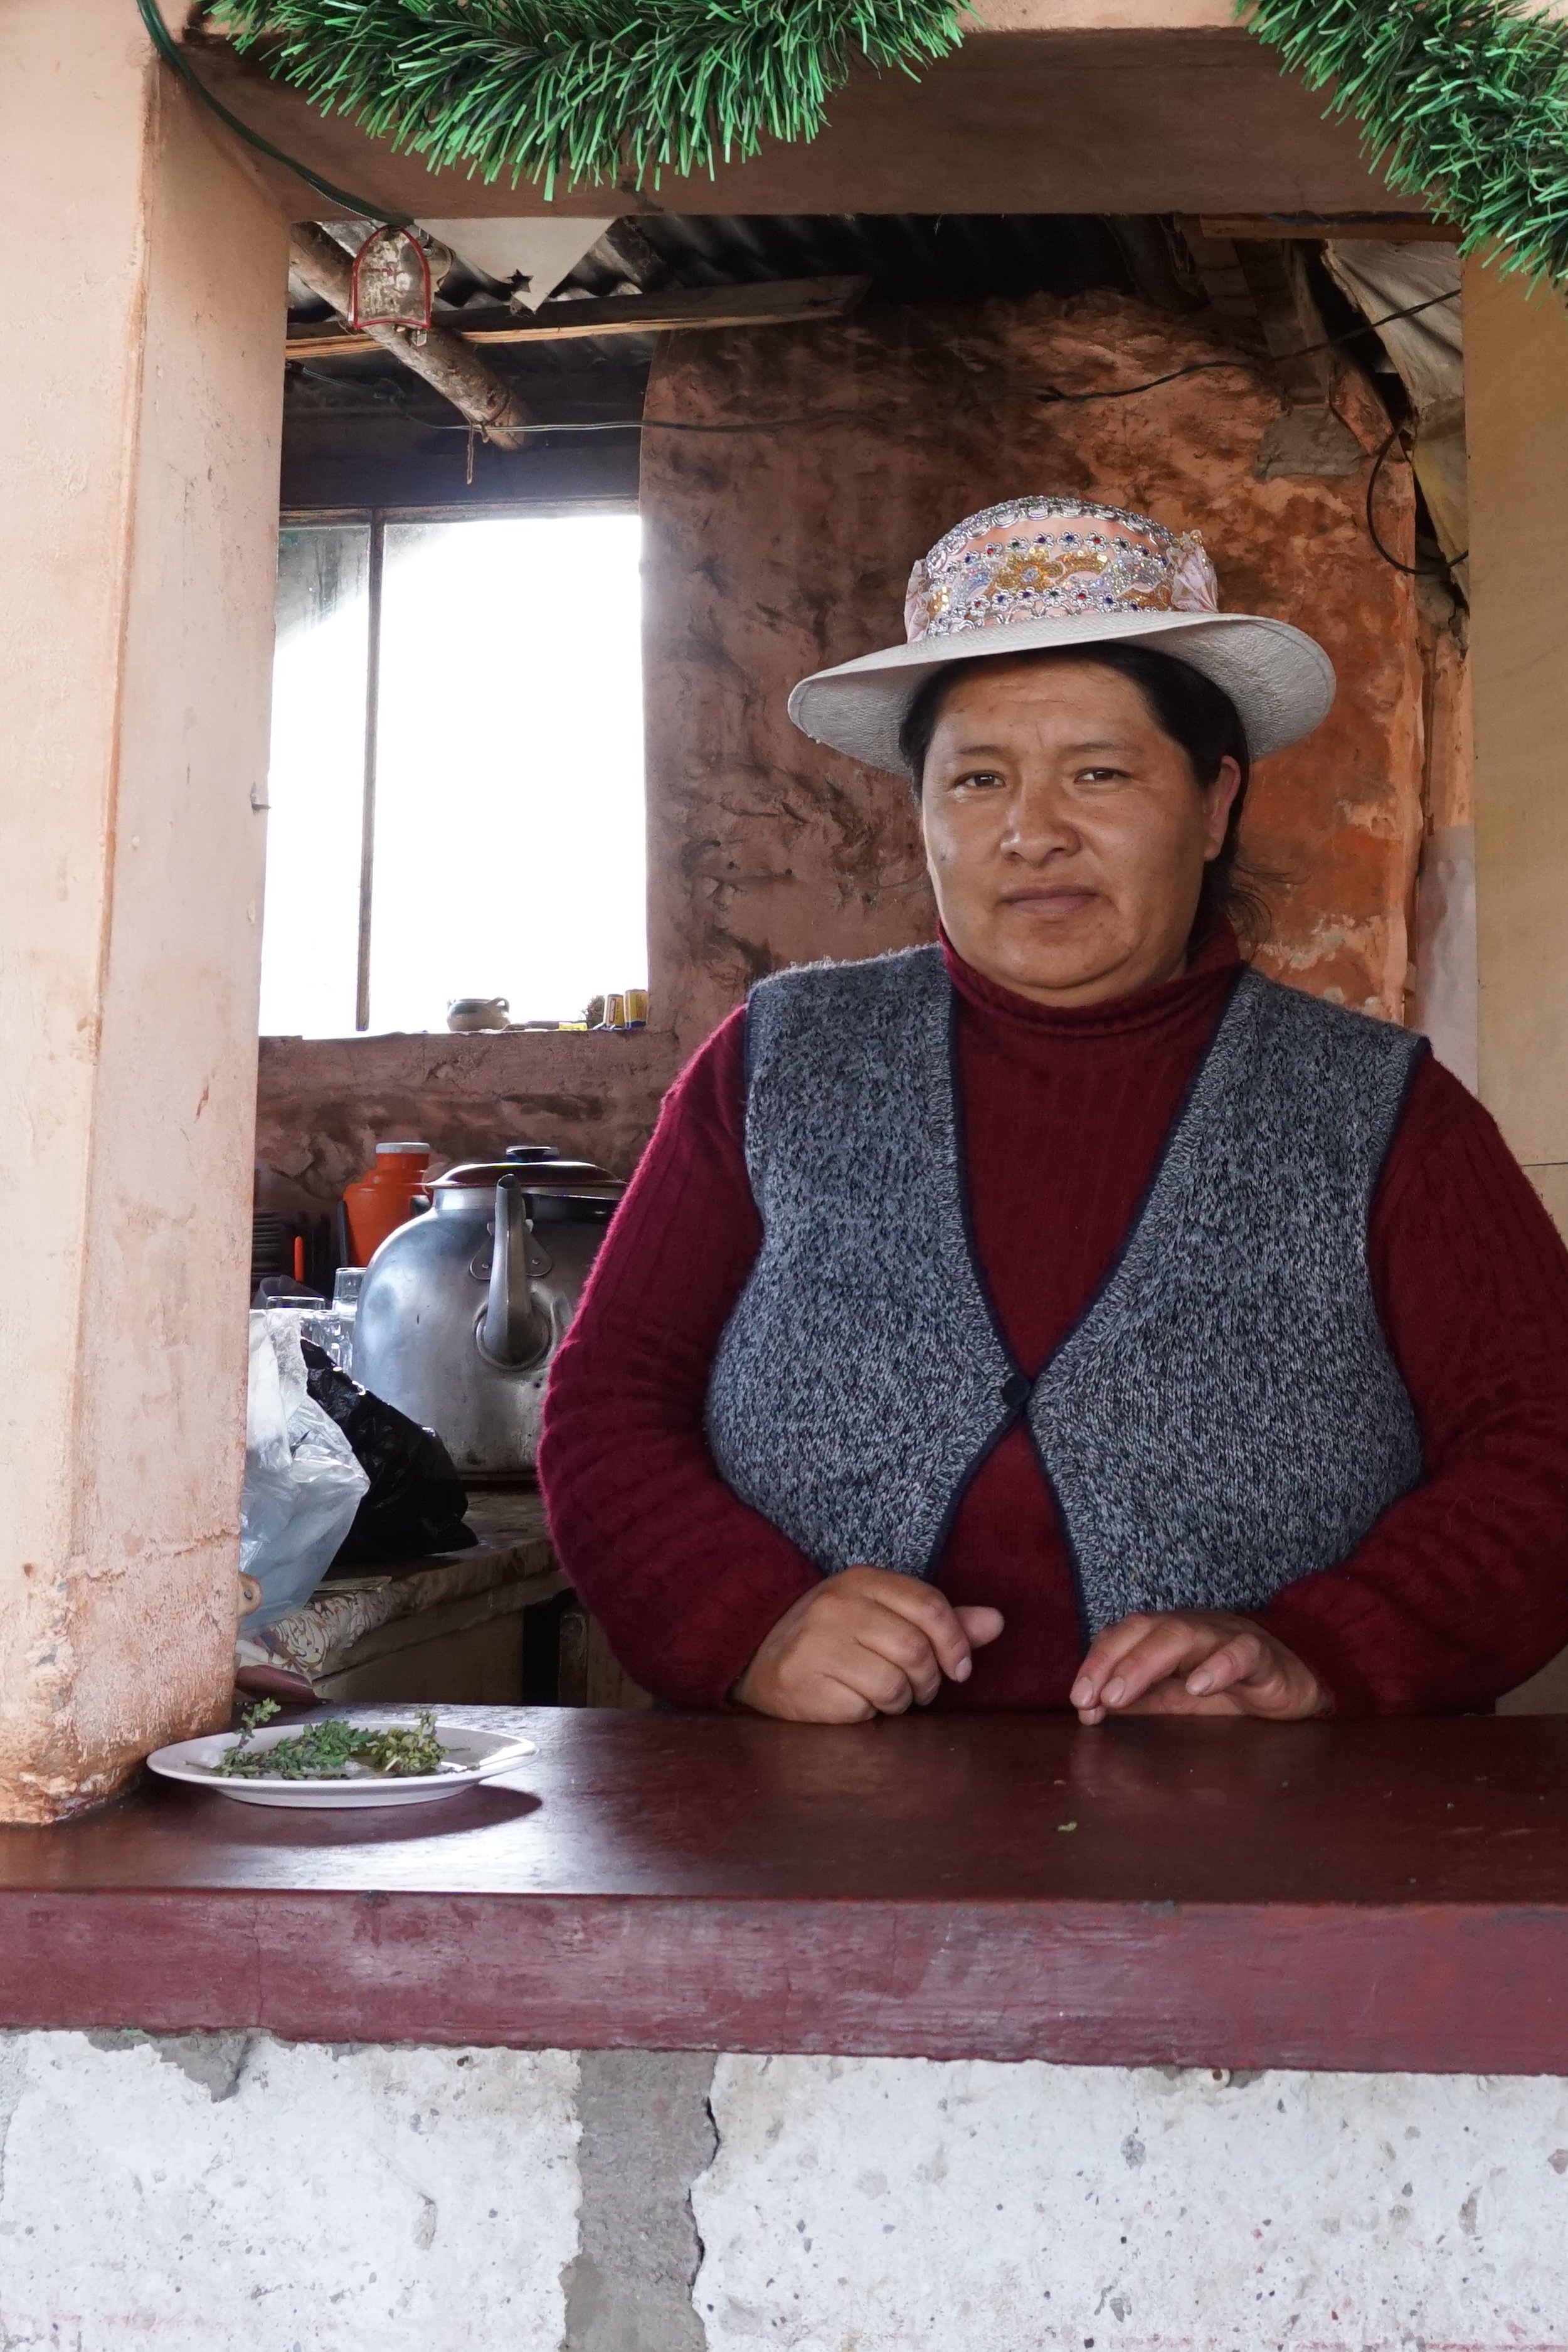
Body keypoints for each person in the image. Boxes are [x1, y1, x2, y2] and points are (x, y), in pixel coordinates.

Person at [538, 495, 1568, 1725]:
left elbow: (1540, 1444)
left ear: (1213, 803)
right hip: (808, 1828)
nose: (1031, 833)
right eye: (975, 780)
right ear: (923, 817)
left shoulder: (1378, 1111)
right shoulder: (778, 1064)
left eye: (1098, 772)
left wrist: (1325, 1655)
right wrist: (746, 1621)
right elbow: (608, 1398)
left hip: (1253, 1838)